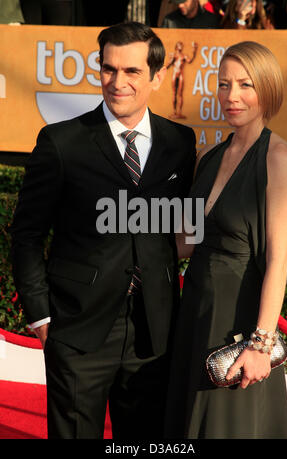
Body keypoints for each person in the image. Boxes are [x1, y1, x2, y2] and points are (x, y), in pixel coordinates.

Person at [10, 21, 196, 439]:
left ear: (157, 76)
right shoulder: (62, 142)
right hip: (77, 328)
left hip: (155, 331)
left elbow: (183, 228)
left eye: (131, 71)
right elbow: (26, 234)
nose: (118, 82)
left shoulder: (180, 143)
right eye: (109, 69)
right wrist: (40, 314)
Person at [164, 41, 287, 439]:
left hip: (239, 326)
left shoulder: (279, 159)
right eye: (224, 85)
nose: (231, 96)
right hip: (195, 317)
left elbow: (278, 260)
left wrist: (260, 344)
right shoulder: (209, 156)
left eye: (245, 84)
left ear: (268, 89)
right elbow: (184, 242)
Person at [166, 41, 198, 119]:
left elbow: (190, 61)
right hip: (174, 74)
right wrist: (171, 59)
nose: (181, 46)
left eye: (182, 45)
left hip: (181, 75)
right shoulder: (173, 55)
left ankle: (179, 112)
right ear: (176, 46)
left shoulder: (183, 56)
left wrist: (194, 50)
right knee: (174, 93)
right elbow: (167, 66)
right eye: (180, 45)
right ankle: (174, 112)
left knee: (180, 94)